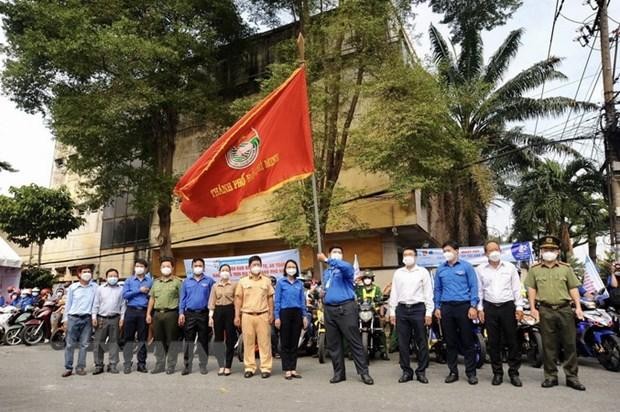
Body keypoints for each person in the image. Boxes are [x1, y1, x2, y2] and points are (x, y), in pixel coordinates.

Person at [525, 236, 585, 391]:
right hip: (545, 310)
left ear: (558, 252)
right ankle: (550, 376)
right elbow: (531, 289)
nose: (548, 252)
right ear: (541, 251)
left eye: (552, 250)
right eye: (545, 250)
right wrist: (533, 308)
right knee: (548, 345)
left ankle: (572, 377)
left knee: (570, 344)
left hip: (565, 309)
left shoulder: (566, 268)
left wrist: (578, 307)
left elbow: (573, 288)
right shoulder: (534, 270)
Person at [318, 246, 374, 385]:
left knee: (354, 341)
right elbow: (327, 287)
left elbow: (346, 267)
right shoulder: (326, 273)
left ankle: (364, 373)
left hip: (346, 308)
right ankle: (339, 373)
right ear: (330, 254)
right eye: (334, 252)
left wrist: (326, 259)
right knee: (334, 344)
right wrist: (322, 293)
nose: (337, 254)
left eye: (339, 252)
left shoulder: (346, 269)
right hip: (329, 309)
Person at [476, 241, 523, 387]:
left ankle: (514, 372)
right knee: (494, 342)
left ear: (500, 251)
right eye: (490, 250)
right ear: (485, 253)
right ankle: (497, 373)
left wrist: (519, 307)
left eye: (496, 249)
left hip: (508, 307)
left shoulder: (510, 267)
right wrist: (480, 308)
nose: (494, 252)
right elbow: (479, 290)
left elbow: (516, 288)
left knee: (512, 341)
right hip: (490, 308)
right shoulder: (480, 269)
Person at [433, 240, 479, 385]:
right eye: (444, 251)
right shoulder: (440, 269)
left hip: (464, 307)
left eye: (449, 250)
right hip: (446, 307)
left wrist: (473, 306)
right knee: (450, 341)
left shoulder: (467, 267)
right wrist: (437, 307)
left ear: (457, 251)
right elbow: (438, 289)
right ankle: (453, 372)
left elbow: (474, 287)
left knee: (467, 340)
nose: (447, 253)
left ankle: (471, 373)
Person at [388, 247, 433, 384]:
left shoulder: (423, 272)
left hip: (418, 309)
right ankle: (406, 371)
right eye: (405, 255)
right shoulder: (398, 273)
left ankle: (421, 371)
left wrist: (429, 312)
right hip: (401, 309)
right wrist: (392, 312)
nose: (407, 257)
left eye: (410, 254)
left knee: (422, 341)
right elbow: (394, 293)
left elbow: (428, 293)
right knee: (403, 343)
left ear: (415, 257)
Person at [234, 255, 274, 379]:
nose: (256, 267)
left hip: (263, 314)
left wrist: (271, 313)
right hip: (247, 315)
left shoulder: (266, 281)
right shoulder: (243, 281)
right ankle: (249, 367)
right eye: (253, 265)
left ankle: (266, 368)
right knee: (248, 343)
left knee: (265, 343)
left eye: (258, 264)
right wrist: (237, 316)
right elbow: (238, 299)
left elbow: (270, 298)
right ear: (249, 267)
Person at [179, 258, 215, 375]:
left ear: (203, 267)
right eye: (196, 265)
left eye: (200, 265)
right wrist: (181, 313)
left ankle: (203, 365)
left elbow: (213, 298)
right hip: (189, 314)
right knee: (189, 340)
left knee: (203, 341)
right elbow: (182, 299)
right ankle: (187, 366)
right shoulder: (186, 282)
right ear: (192, 267)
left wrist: (211, 315)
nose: (198, 267)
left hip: (203, 314)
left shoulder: (209, 281)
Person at [147, 256, 182, 374]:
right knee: (159, 340)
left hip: (172, 313)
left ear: (172, 267)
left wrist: (181, 314)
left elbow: (182, 299)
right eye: (163, 266)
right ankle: (160, 364)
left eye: (168, 266)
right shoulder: (156, 282)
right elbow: (152, 298)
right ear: (160, 268)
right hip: (157, 314)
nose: (165, 268)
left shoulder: (178, 282)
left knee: (172, 340)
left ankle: (171, 365)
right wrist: (148, 314)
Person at [274, 259, 309, 380]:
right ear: (285, 269)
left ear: (296, 269)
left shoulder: (299, 284)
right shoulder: (281, 283)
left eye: (293, 267)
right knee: (285, 342)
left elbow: (302, 301)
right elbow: (277, 301)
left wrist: (304, 316)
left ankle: (293, 368)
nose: (291, 269)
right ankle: (287, 369)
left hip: (297, 312)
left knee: (294, 342)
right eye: (289, 267)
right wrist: (277, 317)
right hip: (284, 313)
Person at [62, 265, 97, 377]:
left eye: (89, 271)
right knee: (70, 344)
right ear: (79, 274)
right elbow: (68, 304)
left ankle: (81, 367)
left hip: (87, 318)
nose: (87, 273)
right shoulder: (73, 287)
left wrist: (94, 317)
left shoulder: (95, 287)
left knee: (84, 345)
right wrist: (65, 319)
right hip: (73, 317)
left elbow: (95, 303)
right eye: (84, 271)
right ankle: (68, 368)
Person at [91, 268, 126, 375]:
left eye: (115, 276)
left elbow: (123, 305)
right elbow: (96, 304)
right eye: (110, 276)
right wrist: (93, 317)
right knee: (98, 343)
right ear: (106, 278)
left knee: (114, 343)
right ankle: (98, 365)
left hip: (115, 318)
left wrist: (122, 318)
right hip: (101, 318)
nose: (113, 278)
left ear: (118, 277)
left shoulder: (121, 289)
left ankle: (112, 365)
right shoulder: (100, 289)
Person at [122, 258, 153, 374]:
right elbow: (125, 295)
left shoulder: (150, 281)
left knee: (142, 339)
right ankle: (127, 363)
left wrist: (150, 313)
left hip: (143, 312)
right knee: (128, 338)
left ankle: (141, 364)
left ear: (146, 269)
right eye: (137, 266)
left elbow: (152, 297)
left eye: (141, 266)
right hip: (130, 310)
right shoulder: (129, 281)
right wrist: (139, 291)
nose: (138, 268)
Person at [209, 264, 237, 376]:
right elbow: (212, 302)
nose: (225, 272)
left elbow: (237, 301)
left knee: (230, 339)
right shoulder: (215, 286)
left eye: (227, 270)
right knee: (218, 339)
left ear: (230, 272)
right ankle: (221, 365)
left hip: (230, 310)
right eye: (223, 270)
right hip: (218, 311)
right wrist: (210, 316)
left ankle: (228, 366)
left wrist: (237, 315)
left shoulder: (235, 284)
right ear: (219, 272)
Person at [355, 270, 389, 361]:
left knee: (380, 330)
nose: (367, 280)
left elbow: (381, 301)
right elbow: (354, 298)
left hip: (374, 313)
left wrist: (381, 315)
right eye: (365, 278)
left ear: (372, 279)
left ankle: (383, 351)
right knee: (353, 329)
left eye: (369, 278)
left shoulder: (376, 288)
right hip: (361, 313)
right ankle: (352, 351)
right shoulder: (359, 289)